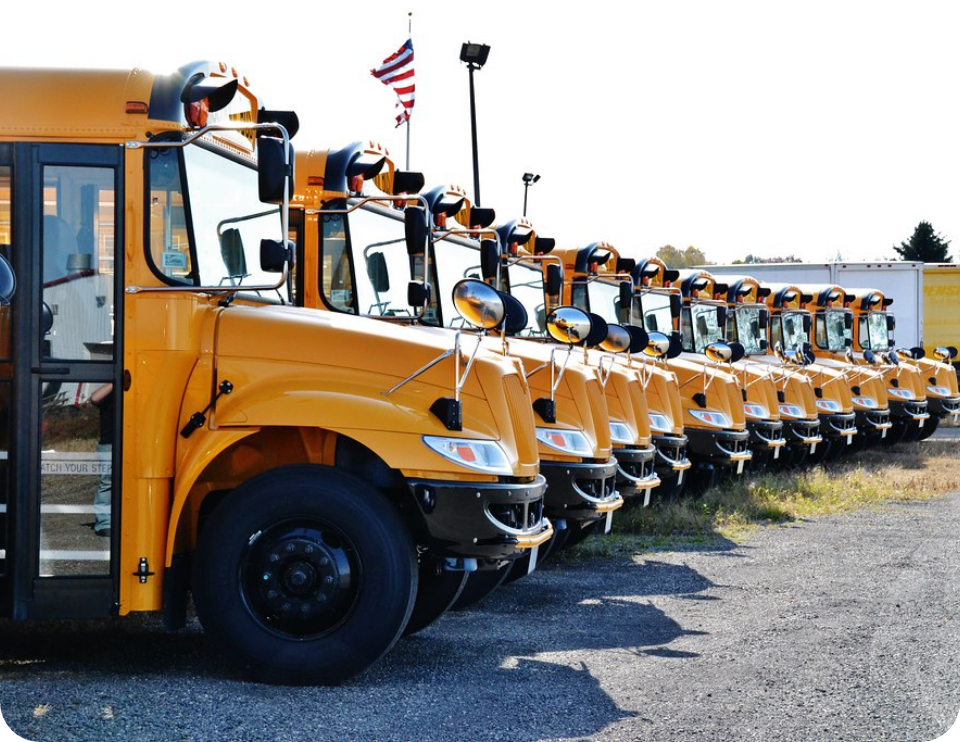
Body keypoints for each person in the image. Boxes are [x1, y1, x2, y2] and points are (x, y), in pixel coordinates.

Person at [90, 382, 113, 537]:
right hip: (109, 443)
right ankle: (104, 523)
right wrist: (115, 382)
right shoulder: (110, 390)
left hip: (134, 444)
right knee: (107, 483)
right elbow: (95, 398)